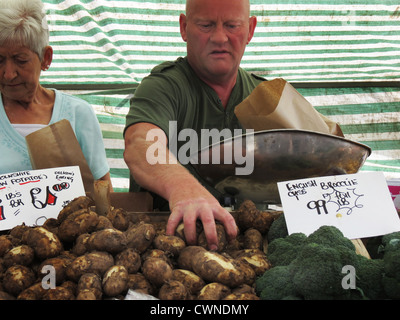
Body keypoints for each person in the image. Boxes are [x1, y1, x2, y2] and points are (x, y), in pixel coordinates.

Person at [124, 0, 262, 250]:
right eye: (206, 25)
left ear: (250, 29)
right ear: (184, 27)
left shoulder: (266, 96)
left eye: (232, 25)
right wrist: (184, 189)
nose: (220, 38)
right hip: (168, 250)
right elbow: (141, 143)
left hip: (250, 252)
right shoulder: (164, 87)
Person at [0, 0, 112, 189]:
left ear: (46, 58)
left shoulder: (78, 114)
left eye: (20, 60)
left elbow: (103, 188)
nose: (8, 74)